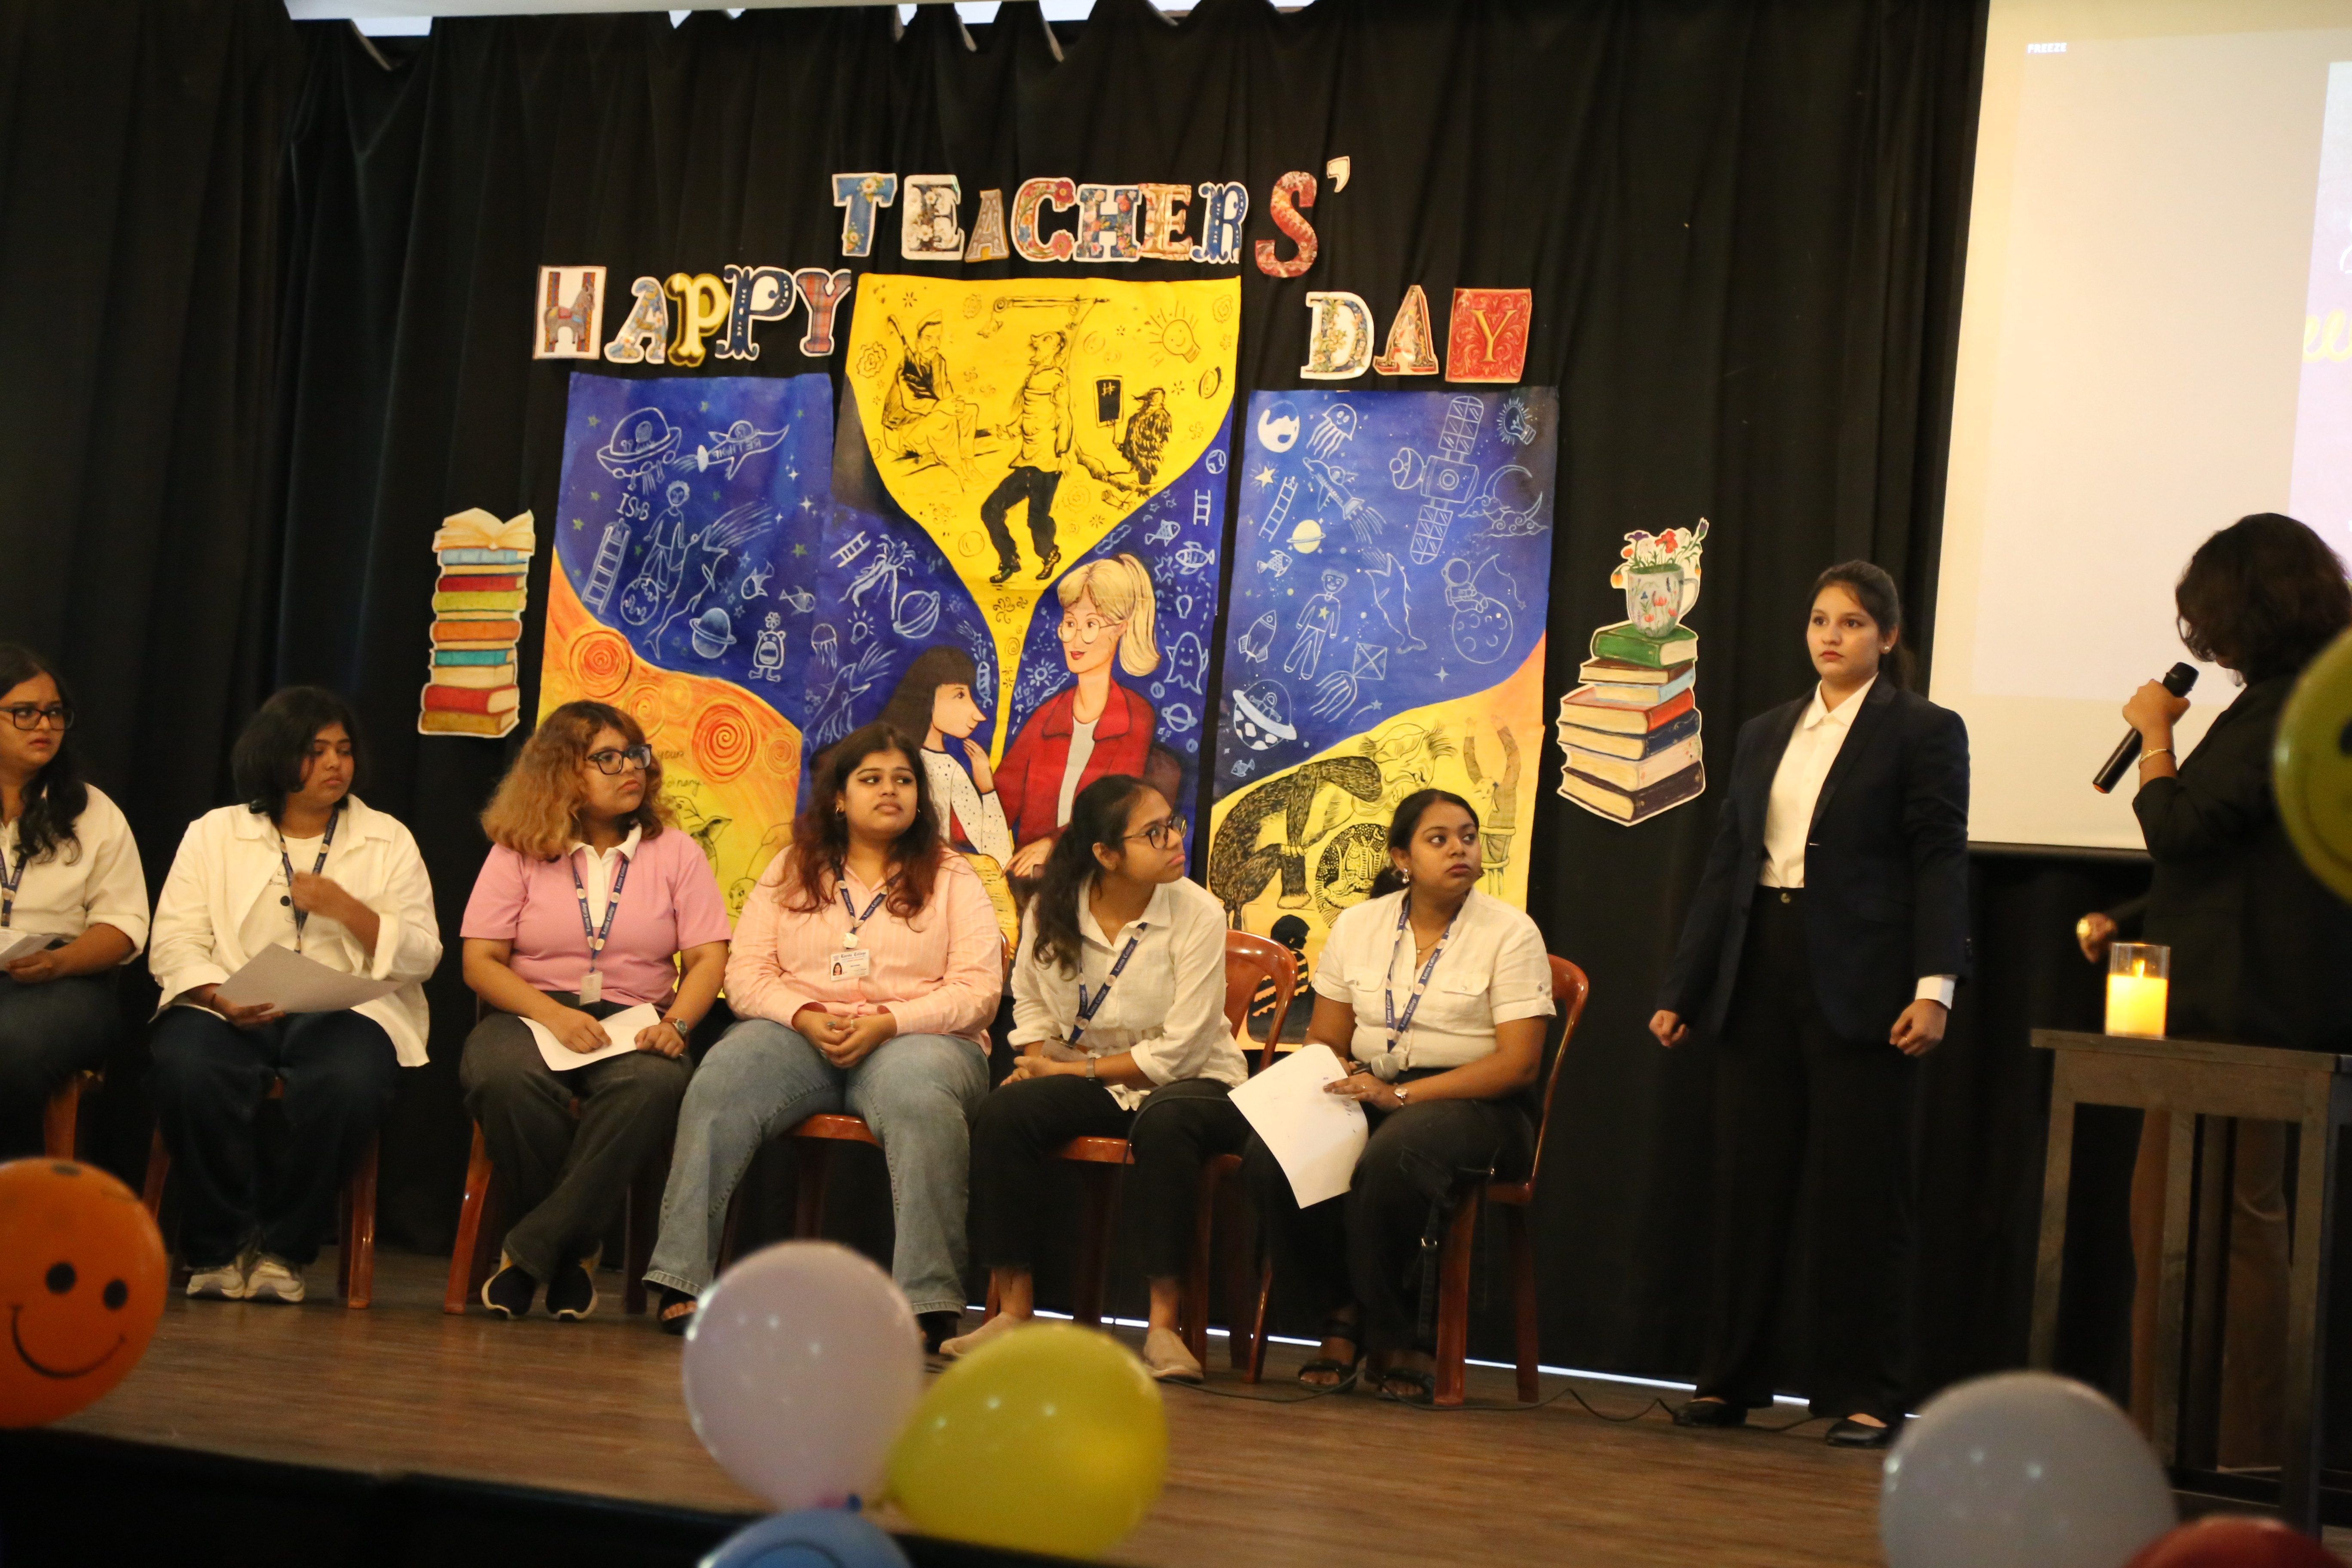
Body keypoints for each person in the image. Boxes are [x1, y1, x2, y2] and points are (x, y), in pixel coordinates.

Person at [1650, 560, 1969, 1448]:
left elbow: (1941, 860)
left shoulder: (1923, 729)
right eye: (1821, 620)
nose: (1833, 636)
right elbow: (1727, 863)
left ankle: (1868, 1394)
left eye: (1854, 623)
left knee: (1863, 1190)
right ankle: (1729, 1381)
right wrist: (1685, 987)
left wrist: (1935, 986)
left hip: (1865, 978)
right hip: (1760, 966)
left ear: (1888, 637)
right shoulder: (1765, 731)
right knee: (1748, 1186)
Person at [2075, 512, 2352, 1464]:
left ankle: (2230, 1451)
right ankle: (2194, 1442)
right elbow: (2254, 861)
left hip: (2239, 1020)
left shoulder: (2283, 707)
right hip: (2246, 1010)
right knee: (2193, 1225)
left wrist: (2154, 736)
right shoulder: (2312, 703)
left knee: (2217, 1230)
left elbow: (2183, 828)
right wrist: (2131, 916)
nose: (2205, 639)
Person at [644, 723, 1001, 1345]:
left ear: (920, 797)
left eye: (904, 780)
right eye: (871, 779)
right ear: (839, 797)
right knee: (723, 1077)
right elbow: (746, 975)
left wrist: (889, 1023)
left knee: (921, 1101)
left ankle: (927, 1302)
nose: (889, 790)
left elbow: (978, 992)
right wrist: (804, 1016)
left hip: (917, 1039)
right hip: (800, 1033)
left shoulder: (954, 876)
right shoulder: (792, 867)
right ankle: (682, 1279)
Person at [1241, 790, 1555, 1403]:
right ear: (1402, 858)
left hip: (1479, 1101)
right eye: (1439, 839)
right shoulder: (1360, 925)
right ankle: (1338, 1317)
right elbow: (1327, 1038)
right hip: (1373, 1083)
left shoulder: (1510, 932)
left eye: (1468, 837)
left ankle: (1406, 1336)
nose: (1459, 849)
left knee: (1395, 1157)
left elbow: (1518, 1065)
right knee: (1273, 1153)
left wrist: (1402, 1096)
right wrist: (1335, 1075)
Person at [945, 774, 1246, 1382]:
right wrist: (1038, 1064)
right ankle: (1013, 1310)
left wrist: (1069, 1068)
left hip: (1194, 1082)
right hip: (1094, 1077)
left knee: (1166, 1120)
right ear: (1106, 854)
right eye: (1153, 833)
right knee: (1005, 1112)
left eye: (1173, 825)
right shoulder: (1053, 907)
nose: (1174, 840)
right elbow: (1030, 1004)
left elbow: (1182, 1051)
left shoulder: (1199, 912)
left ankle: (1163, 1327)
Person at [147, 688, 440, 1303]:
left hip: (343, 1007)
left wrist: (350, 911)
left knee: (349, 1082)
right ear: (274, 755)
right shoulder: (214, 833)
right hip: (231, 1002)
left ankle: (285, 1247)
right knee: (187, 1066)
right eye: (316, 750)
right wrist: (217, 996)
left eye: (344, 750)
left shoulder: (388, 838)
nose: (335, 764)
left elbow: (424, 955)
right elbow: (174, 942)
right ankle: (217, 1246)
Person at [458, 700, 730, 1321]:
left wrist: (677, 1025)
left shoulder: (677, 853)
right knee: (502, 1078)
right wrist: (552, 1016)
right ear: (562, 773)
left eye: (635, 755)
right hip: (531, 1012)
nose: (629, 768)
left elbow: (708, 960)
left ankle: (530, 1252)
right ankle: (575, 1249)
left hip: (637, 1016)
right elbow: (480, 963)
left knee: (653, 1084)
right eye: (607, 759)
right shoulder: (519, 849)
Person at [0, 645, 148, 1158]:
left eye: (55, 712)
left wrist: (58, 962)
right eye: (25, 712)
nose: (45, 725)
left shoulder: (93, 812)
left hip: (63, 983)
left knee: (10, 1045)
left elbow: (123, 927)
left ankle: (20, 1194)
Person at [995, 555, 1176, 878]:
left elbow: (1115, 809)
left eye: (1091, 625)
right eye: (1070, 624)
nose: (1076, 639)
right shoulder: (1048, 716)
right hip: (1030, 883)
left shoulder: (1136, 716)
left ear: (1120, 628)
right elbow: (1001, 802)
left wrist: (1052, 844)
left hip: (1098, 879)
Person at [877, 645, 1013, 864]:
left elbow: (999, 856)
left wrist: (987, 789)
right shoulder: (891, 760)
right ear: (927, 696)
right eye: (960, 695)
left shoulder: (949, 768)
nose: (978, 715)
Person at [980, 325, 1079, 585]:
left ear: (1055, 350)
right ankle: (1009, 559)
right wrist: (1008, 431)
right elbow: (1029, 416)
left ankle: (1049, 555)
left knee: (1036, 519)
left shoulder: (1056, 379)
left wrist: (1062, 452)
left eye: (1045, 340)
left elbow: (1064, 418)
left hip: (1047, 464)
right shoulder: (1035, 376)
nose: (1036, 343)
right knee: (991, 509)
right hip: (1027, 461)